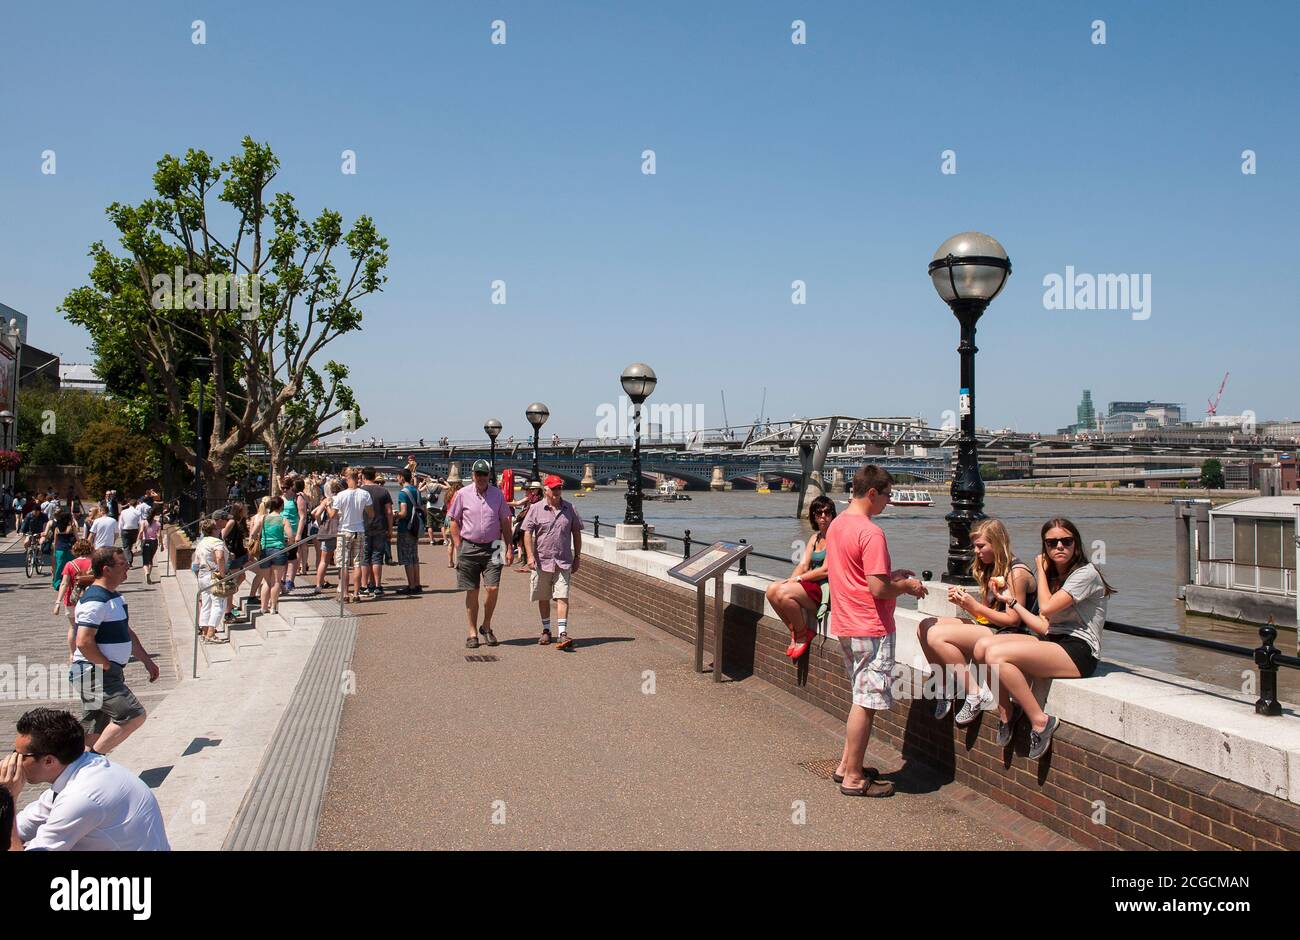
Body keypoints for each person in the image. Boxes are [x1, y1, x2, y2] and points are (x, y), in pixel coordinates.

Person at [825, 465, 927, 798]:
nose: (888, 502)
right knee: (866, 703)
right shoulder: (871, 532)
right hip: (871, 626)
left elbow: (858, 574)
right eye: (887, 495)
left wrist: (891, 574)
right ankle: (854, 777)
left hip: (845, 622)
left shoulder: (838, 524)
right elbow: (879, 590)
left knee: (859, 696)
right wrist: (908, 586)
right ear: (872, 493)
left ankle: (845, 765)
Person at [976, 517, 1115, 759]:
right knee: (982, 647)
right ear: (1045, 547)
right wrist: (1009, 600)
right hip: (1054, 642)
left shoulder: (1086, 574)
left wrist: (1040, 569)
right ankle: (1007, 712)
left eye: (1066, 541)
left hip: (1080, 651)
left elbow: (1047, 608)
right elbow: (1043, 625)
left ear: (1076, 544)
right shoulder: (1054, 577)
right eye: (1052, 543)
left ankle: (1041, 722)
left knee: (998, 656)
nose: (1059, 546)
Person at [917, 518, 1037, 726]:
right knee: (925, 626)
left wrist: (974, 607)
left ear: (997, 543)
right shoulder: (991, 568)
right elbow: (985, 615)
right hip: (992, 628)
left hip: (1011, 634)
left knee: (937, 637)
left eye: (981, 546)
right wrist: (964, 603)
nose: (976, 551)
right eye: (975, 546)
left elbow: (1013, 620)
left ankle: (975, 694)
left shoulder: (1016, 573)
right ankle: (945, 686)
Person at [2, 708, 170, 850]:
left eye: (20, 755)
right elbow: (26, 824)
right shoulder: (81, 767)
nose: (14, 760)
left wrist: (9, 797)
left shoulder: (80, 796)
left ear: (48, 761)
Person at [70, 547, 160, 755]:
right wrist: (106, 665)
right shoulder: (95, 600)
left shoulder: (115, 597)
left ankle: (77, 768)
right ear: (106, 570)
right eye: (122, 564)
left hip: (100, 672)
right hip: (94, 672)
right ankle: (93, 760)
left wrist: (146, 660)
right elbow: (83, 641)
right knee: (132, 715)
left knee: (94, 726)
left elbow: (126, 632)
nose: (128, 566)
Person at [448, 459, 513, 648]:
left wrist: (509, 547)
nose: (481, 478)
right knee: (472, 591)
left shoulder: (497, 494)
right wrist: (459, 546)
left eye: (485, 474)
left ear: (489, 476)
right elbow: (453, 520)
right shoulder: (462, 494)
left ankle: (486, 625)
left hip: (494, 546)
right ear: (473, 475)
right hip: (469, 546)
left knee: (492, 588)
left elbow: (505, 522)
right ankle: (472, 632)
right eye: (478, 474)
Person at [765, 495, 836, 660]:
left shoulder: (835, 536)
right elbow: (803, 565)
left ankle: (803, 634)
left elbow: (826, 570)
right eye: (819, 513)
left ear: (833, 515)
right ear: (814, 516)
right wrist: (790, 580)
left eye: (827, 512)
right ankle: (794, 630)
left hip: (826, 588)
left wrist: (798, 580)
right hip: (811, 583)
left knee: (784, 593)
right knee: (771, 590)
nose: (823, 516)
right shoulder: (815, 538)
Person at [523, 474, 584, 648]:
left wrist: (578, 556)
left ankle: (562, 633)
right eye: (554, 488)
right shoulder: (535, 509)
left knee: (562, 595)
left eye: (559, 488)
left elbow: (577, 533)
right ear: (546, 490)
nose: (557, 491)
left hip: (563, 560)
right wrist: (529, 555)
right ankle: (546, 630)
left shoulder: (570, 508)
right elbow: (527, 532)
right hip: (542, 560)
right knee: (543, 596)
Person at [330, 468, 373, 603]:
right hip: (359, 529)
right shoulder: (365, 494)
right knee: (357, 563)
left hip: (344, 530)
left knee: (343, 564)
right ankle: (356, 593)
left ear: (348, 478)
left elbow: (332, 515)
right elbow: (371, 513)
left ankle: (345, 594)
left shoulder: (341, 495)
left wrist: (327, 505)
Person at [251, 496, 293, 615]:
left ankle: (263, 607)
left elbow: (253, 534)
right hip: (279, 550)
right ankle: (273, 607)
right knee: (276, 581)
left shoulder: (263, 519)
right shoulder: (283, 519)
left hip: (265, 551)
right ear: (281, 507)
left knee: (266, 581)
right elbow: (290, 537)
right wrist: (288, 545)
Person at [52, 538, 95, 644]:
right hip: (91, 599)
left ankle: (72, 654)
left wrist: (58, 602)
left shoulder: (69, 564)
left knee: (72, 628)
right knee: (91, 629)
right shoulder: (94, 563)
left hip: (72, 599)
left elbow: (64, 583)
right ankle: (90, 652)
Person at [194, 518, 230, 643]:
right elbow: (219, 557)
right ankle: (211, 632)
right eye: (217, 528)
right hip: (214, 575)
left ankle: (204, 631)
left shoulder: (201, 542)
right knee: (219, 604)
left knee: (206, 603)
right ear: (214, 530)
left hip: (202, 574)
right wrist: (222, 574)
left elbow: (196, 562)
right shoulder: (217, 542)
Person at [359, 467, 393, 598]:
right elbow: (389, 512)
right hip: (380, 526)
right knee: (377, 557)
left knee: (365, 558)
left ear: (363, 477)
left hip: (363, 527)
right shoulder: (383, 491)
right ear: (374, 476)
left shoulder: (360, 491)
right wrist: (390, 529)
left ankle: (364, 586)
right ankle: (378, 586)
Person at [394, 468, 423, 595]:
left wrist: (395, 515)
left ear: (401, 477)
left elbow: (403, 512)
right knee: (414, 557)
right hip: (415, 527)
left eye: (397, 477)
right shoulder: (416, 491)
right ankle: (417, 584)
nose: (396, 479)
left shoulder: (402, 493)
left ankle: (411, 586)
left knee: (407, 558)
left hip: (406, 527)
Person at [312, 480, 341, 593]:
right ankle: (340, 585)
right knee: (341, 560)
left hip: (327, 531)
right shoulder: (341, 498)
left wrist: (320, 523)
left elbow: (316, 514)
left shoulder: (326, 500)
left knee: (324, 560)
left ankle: (318, 585)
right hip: (340, 530)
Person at [281, 479, 309, 594]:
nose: (283, 490)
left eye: (286, 488)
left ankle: (290, 581)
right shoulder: (281, 498)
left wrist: (298, 534)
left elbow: (302, 517)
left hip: (292, 532)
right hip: (280, 532)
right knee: (282, 557)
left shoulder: (298, 498)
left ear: (291, 487)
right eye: (282, 488)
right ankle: (281, 579)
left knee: (291, 557)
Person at [47, 510, 79, 592]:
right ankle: (71, 583)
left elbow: (55, 541)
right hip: (70, 549)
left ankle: (57, 583)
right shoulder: (72, 526)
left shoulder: (57, 528)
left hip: (60, 550)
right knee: (72, 567)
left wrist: (54, 552)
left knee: (59, 567)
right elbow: (77, 538)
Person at [138, 507, 162, 585]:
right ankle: (149, 575)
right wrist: (161, 544)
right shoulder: (158, 523)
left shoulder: (143, 522)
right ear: (155, 514)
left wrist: (138, 541)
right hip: (154, 542)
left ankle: (147, 573)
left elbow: (141, 531)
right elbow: (159, 535)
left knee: (145, 561)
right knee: (150, 559)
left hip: (146, 541)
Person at [441, 480, 462, 566]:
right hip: (455, 518)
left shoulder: (448, 495)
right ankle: (458, 562)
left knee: (451, 542)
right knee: (458, 541)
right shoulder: (458, 494)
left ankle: (450, 562)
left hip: (447, 517)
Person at [118, 498, 142, 568]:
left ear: (129, 504)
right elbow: (140, 523)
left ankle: (129, 561)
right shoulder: (138, 512)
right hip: (134, 530)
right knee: (129, 546)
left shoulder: (123, 512)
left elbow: (120, 523)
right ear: (136, 504)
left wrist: (120, 531)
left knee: (126, 547)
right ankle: (129, 559)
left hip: (125, 530)